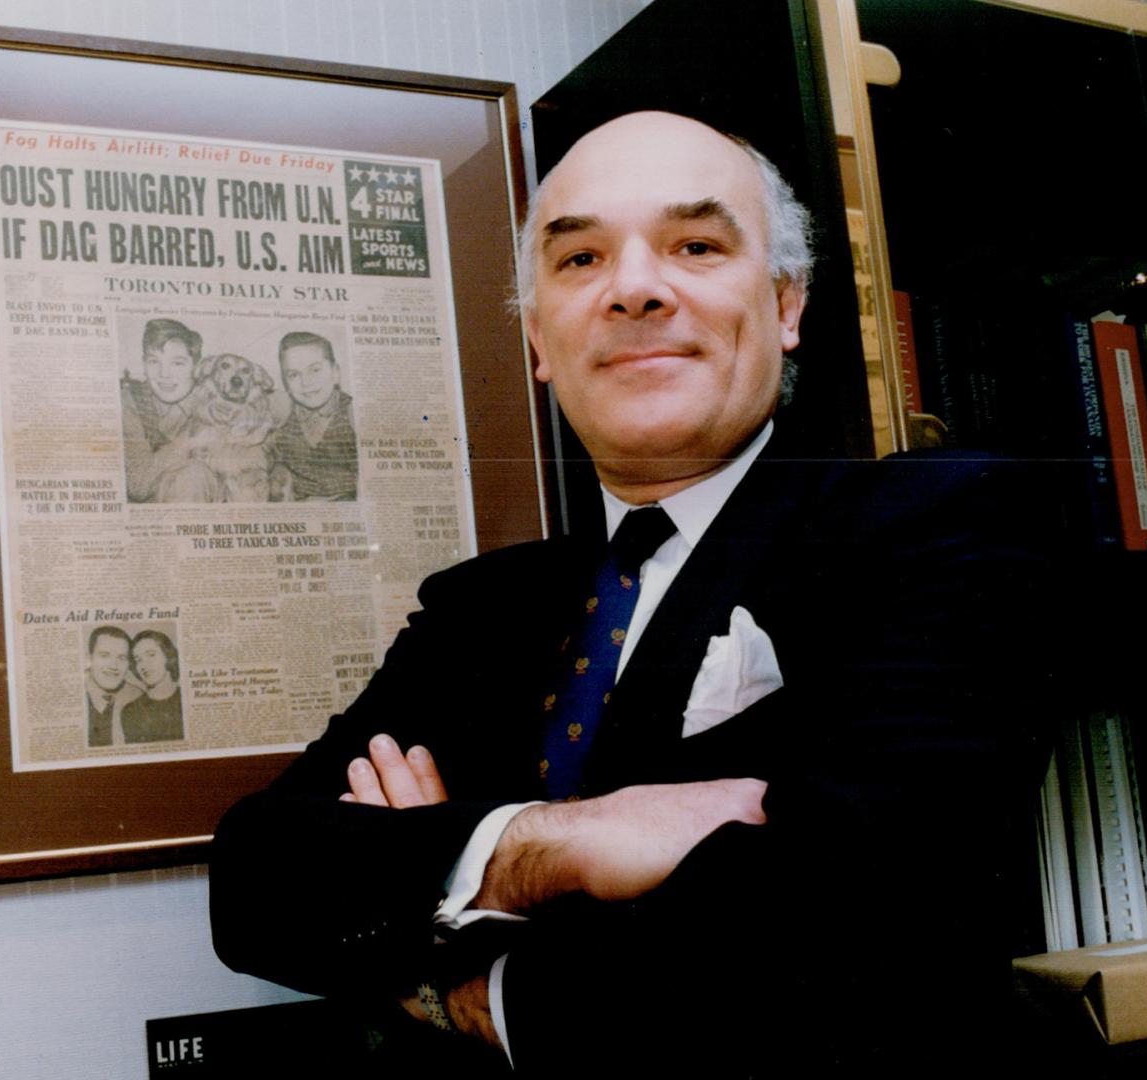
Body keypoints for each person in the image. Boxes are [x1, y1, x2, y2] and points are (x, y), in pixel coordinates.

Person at [210, 112, 1054, 1074]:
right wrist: (573, 842)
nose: (635, 289)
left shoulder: (936, 525)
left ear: (785, 304)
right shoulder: (479, 609)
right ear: (538, 339)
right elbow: (255, 881)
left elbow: (866, 929)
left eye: (694, 245)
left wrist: (464, 975)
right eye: (579, 260)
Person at [122, 318, 223, 503]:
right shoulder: (131, 401)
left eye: (177, 363)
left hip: (200, 500)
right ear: (143, 364)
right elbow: (138, 485)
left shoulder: (213, 401)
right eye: (154, 362)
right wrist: (189, 441)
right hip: (148, 513)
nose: (164, 374)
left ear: (196, 366)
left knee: (193, 476)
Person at [268, 331, 358, 501]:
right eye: (294, 374)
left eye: (315, 370)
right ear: (285, 381)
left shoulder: (352, 412)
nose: (306, 382)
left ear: (336, 373)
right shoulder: (283, 411)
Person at [121, 629, 184, 743]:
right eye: (138, 660)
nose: (143, 665)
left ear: (168, 656)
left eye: (151, 655)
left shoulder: (186, 699)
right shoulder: (131, 712)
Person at [84, 625, 137, 747]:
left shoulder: (138, 697)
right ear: (89, 659)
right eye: (104, 655)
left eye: (121, 658)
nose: (114, 666)